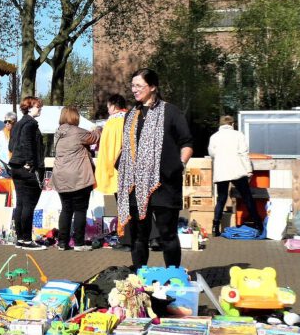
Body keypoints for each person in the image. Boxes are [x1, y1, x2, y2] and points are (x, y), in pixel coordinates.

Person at [117, 68, 193, 271]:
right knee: (138, 236)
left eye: (139, 85)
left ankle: (174, 277)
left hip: (164, 184)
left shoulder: (171, 112)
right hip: (135, 185)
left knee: (168, 235)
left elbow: (187, 142)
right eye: (132, 86)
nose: (134, 90)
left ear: (152, 87)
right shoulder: (130, 115)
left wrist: (179, 165)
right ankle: (139, 277)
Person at [50, 106, 100, 251]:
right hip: (78, 177)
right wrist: (97, 129)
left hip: (60, 176)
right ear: (75, 117)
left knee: (66, 209)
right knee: (80, 210)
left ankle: (62, 242)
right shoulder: (78, 132)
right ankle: (79, 243)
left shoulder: (57, 133)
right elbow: (94, 138)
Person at [208, 115, 260, 236]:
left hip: (221, 171)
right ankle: (258, 224)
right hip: (237, 170)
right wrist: (249, 170)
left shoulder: (214, 137)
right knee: (247, 197)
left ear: (220, 125)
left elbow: (212, 153)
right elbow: (243, 153)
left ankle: (215, 227)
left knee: (221, 198)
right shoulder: (238, 135)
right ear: (232, 124)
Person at [94, 94, 132, 251]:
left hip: (117, 169)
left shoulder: (112, 122)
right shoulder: (131, 119)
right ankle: (153, 237)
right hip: (133, 168)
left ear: (114, 106)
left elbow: (107, 150)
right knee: (136, 205)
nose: (108, 109)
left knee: (124, 206)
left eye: (108, 106)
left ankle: (126, 240)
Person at [8, 96, 46, 250]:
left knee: (21, 204)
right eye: (38, 106)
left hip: (15, 167)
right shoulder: (30, 124)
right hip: (26, 168)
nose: (40, 109)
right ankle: (27, 240)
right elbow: (27, 144)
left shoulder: (17, 124)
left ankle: (20, 239)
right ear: (29, 108)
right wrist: (30, 162)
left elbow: (11, 145)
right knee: (28, 204)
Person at [0, 111, 18, 178]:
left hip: (17, 168)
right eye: (5, 121)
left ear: (15, 122)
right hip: (3, 169)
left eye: (9, 121)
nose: (7, 123)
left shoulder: (19, 134)